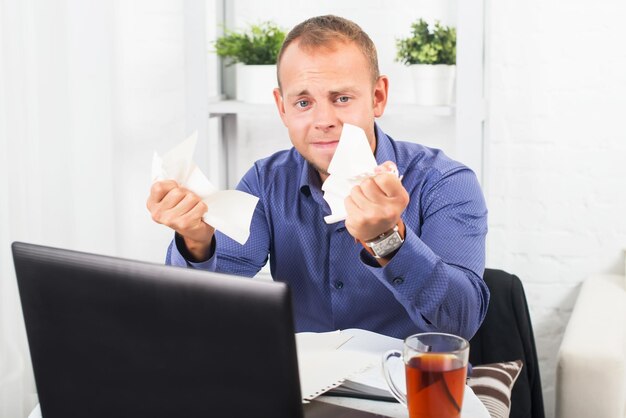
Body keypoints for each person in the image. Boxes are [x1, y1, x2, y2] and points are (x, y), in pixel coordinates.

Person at [146, 15, 489, 340]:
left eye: (342, 98)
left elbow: (460, 323)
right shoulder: (266, 182)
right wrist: (195, 242)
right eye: (303, 102)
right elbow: (199, 310)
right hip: (302, 386)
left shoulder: (444, 183)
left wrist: (387, 240)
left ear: (378, 97)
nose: (323, 120)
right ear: (282, 107)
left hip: (406, 388)